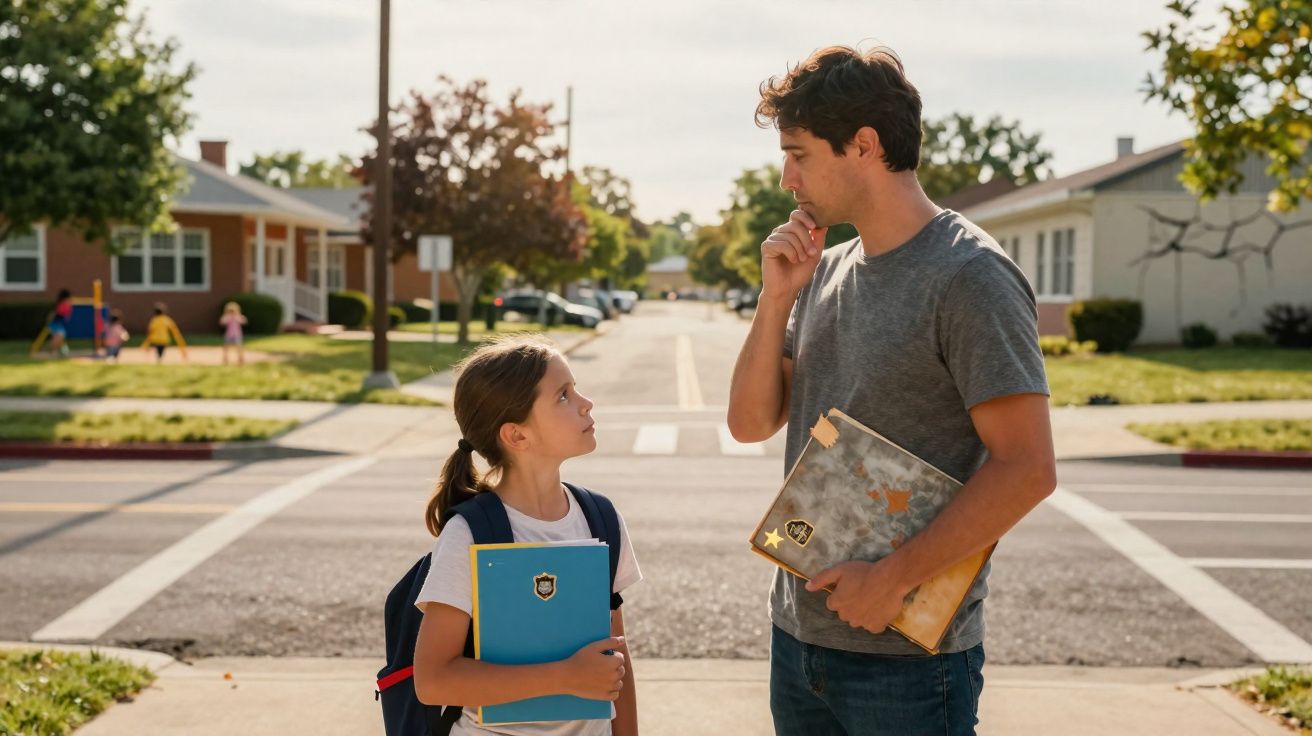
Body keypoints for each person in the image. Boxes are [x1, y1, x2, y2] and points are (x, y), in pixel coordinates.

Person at [727, 45, 1056, 735]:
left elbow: (1028, 468)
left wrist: (891, 579)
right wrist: (774, 299)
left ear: (865, 145)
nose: (788, 178)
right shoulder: (824, 267)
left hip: (906, 661)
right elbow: (750, 422)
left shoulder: (970, 277)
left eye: (800, 154)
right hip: (798, 638)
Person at [412, 335, 641, 736]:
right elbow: (433, 681)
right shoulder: (471, 534)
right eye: (563, 396)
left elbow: (615, 660)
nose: (586, 402)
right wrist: (564, 677)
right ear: (517, 436)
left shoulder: (600, 518)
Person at [46, 288, 73, 357]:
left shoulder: (65, 305)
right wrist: (49, 323)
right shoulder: (61, 305)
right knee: (59, 336)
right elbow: (53, 314)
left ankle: (54, 351)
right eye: (68, 299)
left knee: (59, 337)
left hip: (58, 324)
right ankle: (52, 351)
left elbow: (66, 315)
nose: (69, 300)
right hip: (55, 324)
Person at [219, 301, 248, 366]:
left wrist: (237, 316)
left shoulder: (238, 317)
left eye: (233, 311)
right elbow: (222, 321)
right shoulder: (227, 317)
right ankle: (225, 358)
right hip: (229, 334)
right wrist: (227, 316)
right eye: (230, 311)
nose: (232, 312)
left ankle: (240, 358)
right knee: (226, 347)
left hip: (237, 334)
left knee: (239, 347)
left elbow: (244, 321)